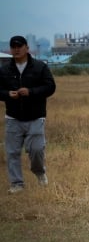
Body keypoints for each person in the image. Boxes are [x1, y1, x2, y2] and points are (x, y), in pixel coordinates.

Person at [0, 35, 56, 194]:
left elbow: (50, 87)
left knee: (37, 150)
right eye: (13, 47)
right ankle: (17, 184)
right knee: (12, 153)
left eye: (19, 46)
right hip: (13, 118)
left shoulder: (39, 67)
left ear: (27, 48)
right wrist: (7, 94)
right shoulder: (4, 70)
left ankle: (39, 172)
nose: (16, 49)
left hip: (35, 117)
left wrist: (30, 92)